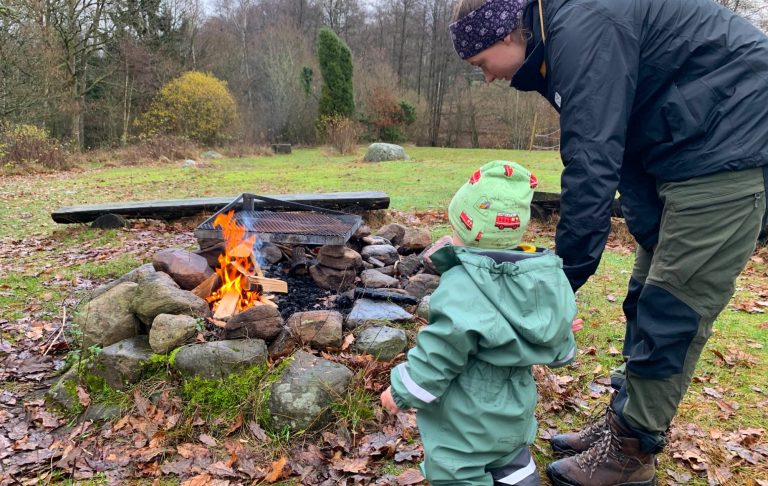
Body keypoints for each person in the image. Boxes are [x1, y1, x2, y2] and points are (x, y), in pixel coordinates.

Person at [449, 0, 768, 485]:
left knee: (673, 305)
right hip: (681, 146)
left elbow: (591, 161)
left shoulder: (583, 26)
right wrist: (647, 227)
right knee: (645, 290)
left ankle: (633, 451)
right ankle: (625, 417)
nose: (487, 78)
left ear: (508, 34)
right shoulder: (561, 33)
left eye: (480, 64)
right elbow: (622, 148)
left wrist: (556, 285)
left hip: (731, 143)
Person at [380, 160, 577, 486]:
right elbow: (558, 347)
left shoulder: (462, 287)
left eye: (456, 227)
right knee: (511, 459)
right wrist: (563, 333)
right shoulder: (541, 277)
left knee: (455, 471)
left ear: (469, 230)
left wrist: (400, 391)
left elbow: (439, 355)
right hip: (515, 413)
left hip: (466, 422)